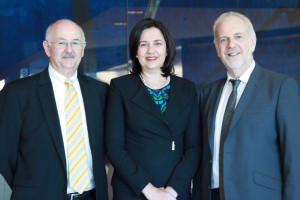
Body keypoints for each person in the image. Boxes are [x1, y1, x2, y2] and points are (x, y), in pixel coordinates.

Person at [192, 11, 300, 200]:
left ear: (252, 42)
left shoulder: (281, 87)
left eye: (238, 37)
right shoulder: (208, 94)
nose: (231, 45)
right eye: (223, 39)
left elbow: (295, 158)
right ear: (217, 48)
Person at [0, 19, 108, 200]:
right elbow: (4, 153)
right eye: (61, 42)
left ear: (83, 48)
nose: (69, 49)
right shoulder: (17, 93)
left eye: (75, 43)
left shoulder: (100, 91)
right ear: (47, 47)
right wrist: (31, 186)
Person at [105, 18, 200, 200]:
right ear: (135, 51)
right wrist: (149, 190)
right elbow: (114, 147)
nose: (151, 50)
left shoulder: (186, 89)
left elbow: (194, 148)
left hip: (175, 192)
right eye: (143, 44)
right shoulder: (120, 87)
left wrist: (170, 192)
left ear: (167, 49)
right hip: (133, 190)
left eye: (157, 43)